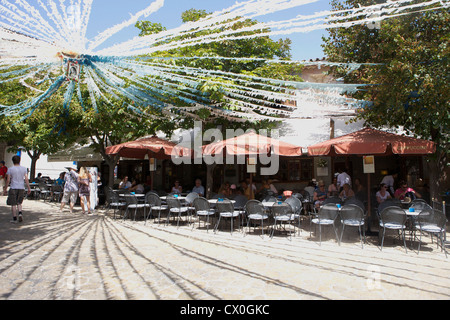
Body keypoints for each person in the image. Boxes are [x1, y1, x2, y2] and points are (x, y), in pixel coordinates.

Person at [6, 156, 31, 223]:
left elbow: (8, 180)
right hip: (21, 187)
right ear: (19, 160)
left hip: (13, 187)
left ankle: (14, 218)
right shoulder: (24, 169)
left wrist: (5, 188)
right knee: (19, 202)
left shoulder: (10, 169)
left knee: (13, 204)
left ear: (12, 161)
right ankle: (20, 213)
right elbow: (26, 179)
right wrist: (28, 187)